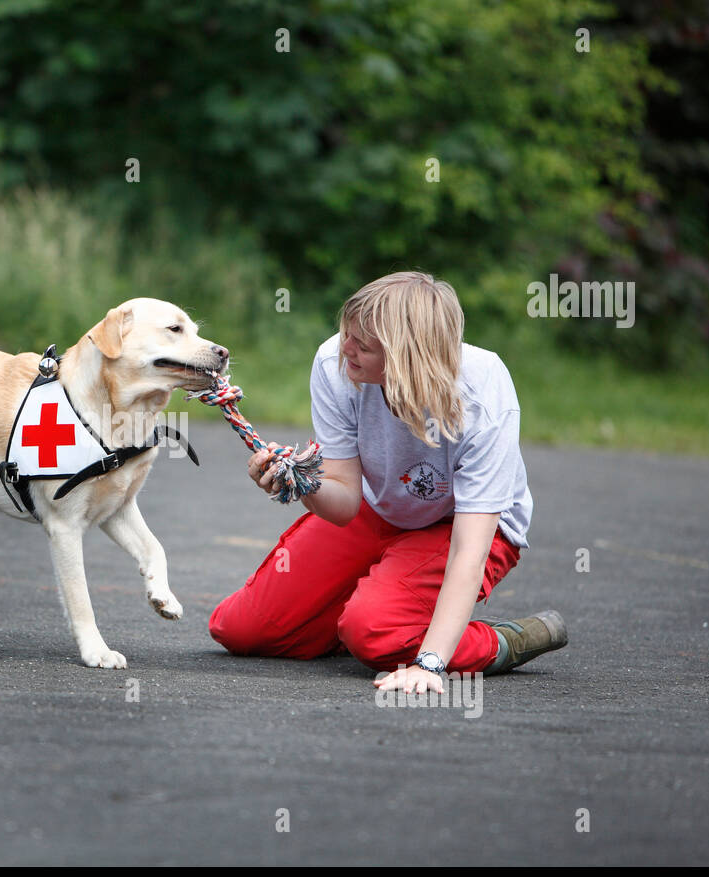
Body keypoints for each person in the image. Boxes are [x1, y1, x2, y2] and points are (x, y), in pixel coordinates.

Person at [208, 271, 567, 693]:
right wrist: (300, 482)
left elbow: (470, 549)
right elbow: (342, 501)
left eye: (363, 345)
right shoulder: (335, 363)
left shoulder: (482, 393)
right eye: (347, 334)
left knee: (374, 632)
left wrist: (430, 665)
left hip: (458, 526)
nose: (345, 350)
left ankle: (500, 642)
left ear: (404, 357)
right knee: (241, 629)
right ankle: (376, 617)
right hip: (374, 507)